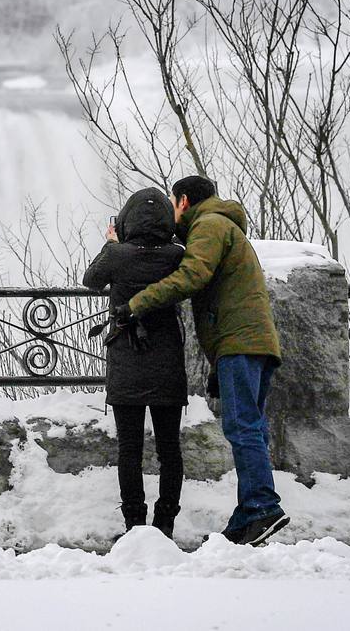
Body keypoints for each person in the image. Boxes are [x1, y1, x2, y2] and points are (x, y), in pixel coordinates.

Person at [123, 175, 288, 546]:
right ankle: (249, 513)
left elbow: (192, 274)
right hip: (251, 343)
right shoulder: (221, 225)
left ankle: (261, 506)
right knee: (252, 427)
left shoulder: (210, 225)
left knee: (243, 427)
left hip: (240, 344)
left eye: (171, 202)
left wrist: (137, 303)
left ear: (182, 201)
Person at [84, 188, 187, 539]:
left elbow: (91, 280)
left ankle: (134, 524)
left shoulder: (118, 255)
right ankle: (165, 522)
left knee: (129, 448)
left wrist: (111, 244)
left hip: (127, 359)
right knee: (169, 448)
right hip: (167, 360)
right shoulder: (176, 255)